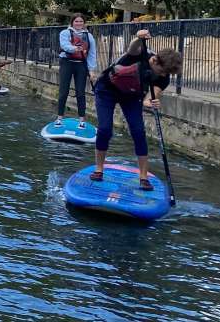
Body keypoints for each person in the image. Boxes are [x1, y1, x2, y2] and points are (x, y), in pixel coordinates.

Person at [92, 29, 183, 190]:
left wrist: (150, 103)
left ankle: (143, 177)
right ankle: (99, 169)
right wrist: (138, 37)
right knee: (105, 129)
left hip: (131, 95)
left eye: (166, 73)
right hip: (107, 90)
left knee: (139, 132)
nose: (163, 75)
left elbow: (152, 96)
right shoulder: (140, 54)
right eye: (161, 71)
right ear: (154, 60)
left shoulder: (164, 77)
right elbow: (132, 48)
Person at [55, 13, 97, 127]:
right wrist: (76, 48)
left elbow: (92, 54)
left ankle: (82, 120)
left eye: (81, 21)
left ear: (84, 23)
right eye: (76, 21)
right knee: (63, 92)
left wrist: (91, 70)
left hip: (81, 65)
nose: (79, 23)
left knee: (80, 93)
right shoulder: (65, 33)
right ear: (72, 22)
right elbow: (65, 46)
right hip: (66, 63)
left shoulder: (89, 36)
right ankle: (59, 118)